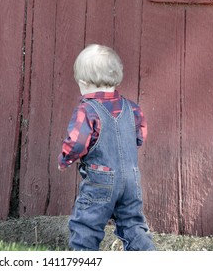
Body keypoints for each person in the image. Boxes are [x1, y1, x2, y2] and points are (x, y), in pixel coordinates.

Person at [58, 44, 156, 251]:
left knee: (86, 225)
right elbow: (140, 136)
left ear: (83, 83)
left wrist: (65, 159)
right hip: (131, 179)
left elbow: (77, 141)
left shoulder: (87, 109)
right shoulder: (132, 108)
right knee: (133, 225)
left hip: (100, 180)